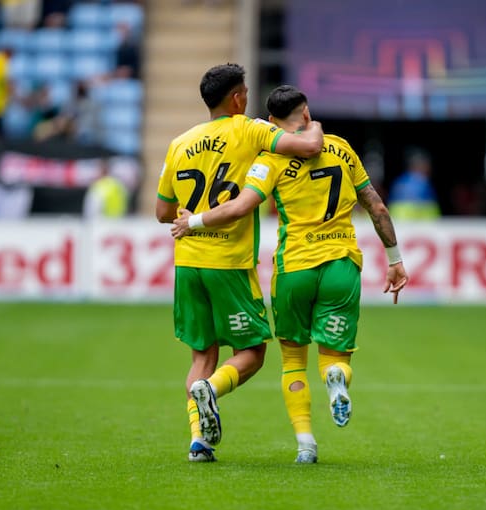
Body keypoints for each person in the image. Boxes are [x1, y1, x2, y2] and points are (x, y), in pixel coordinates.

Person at [171, 85, 409, 464]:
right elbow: (376, 206)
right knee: (334, 359)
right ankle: (338, 380)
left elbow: (243, 205)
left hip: (294, 267)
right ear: (307, 113)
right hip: (341, 263)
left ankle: (305, 445)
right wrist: (395, 259)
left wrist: (194, 221)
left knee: (292, 363)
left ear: (270, 122)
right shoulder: (341, 147)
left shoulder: (270, 159)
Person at [154, 64, 324, 463]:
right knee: (252, 351)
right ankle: (212, 390)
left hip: (188, 262)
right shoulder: (249, 129)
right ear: (238, 98)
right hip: (229, 262)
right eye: (245, 91)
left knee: (202, 355)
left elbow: (162, 211)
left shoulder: (180, 142)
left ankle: (199, 441)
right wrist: (312, 125)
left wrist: (190, 216)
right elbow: (308, 147)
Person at [387, 148, 440, 221]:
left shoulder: (398, 181)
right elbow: (433, 211)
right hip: (417, 223)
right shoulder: (424, 182)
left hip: (397, 222)